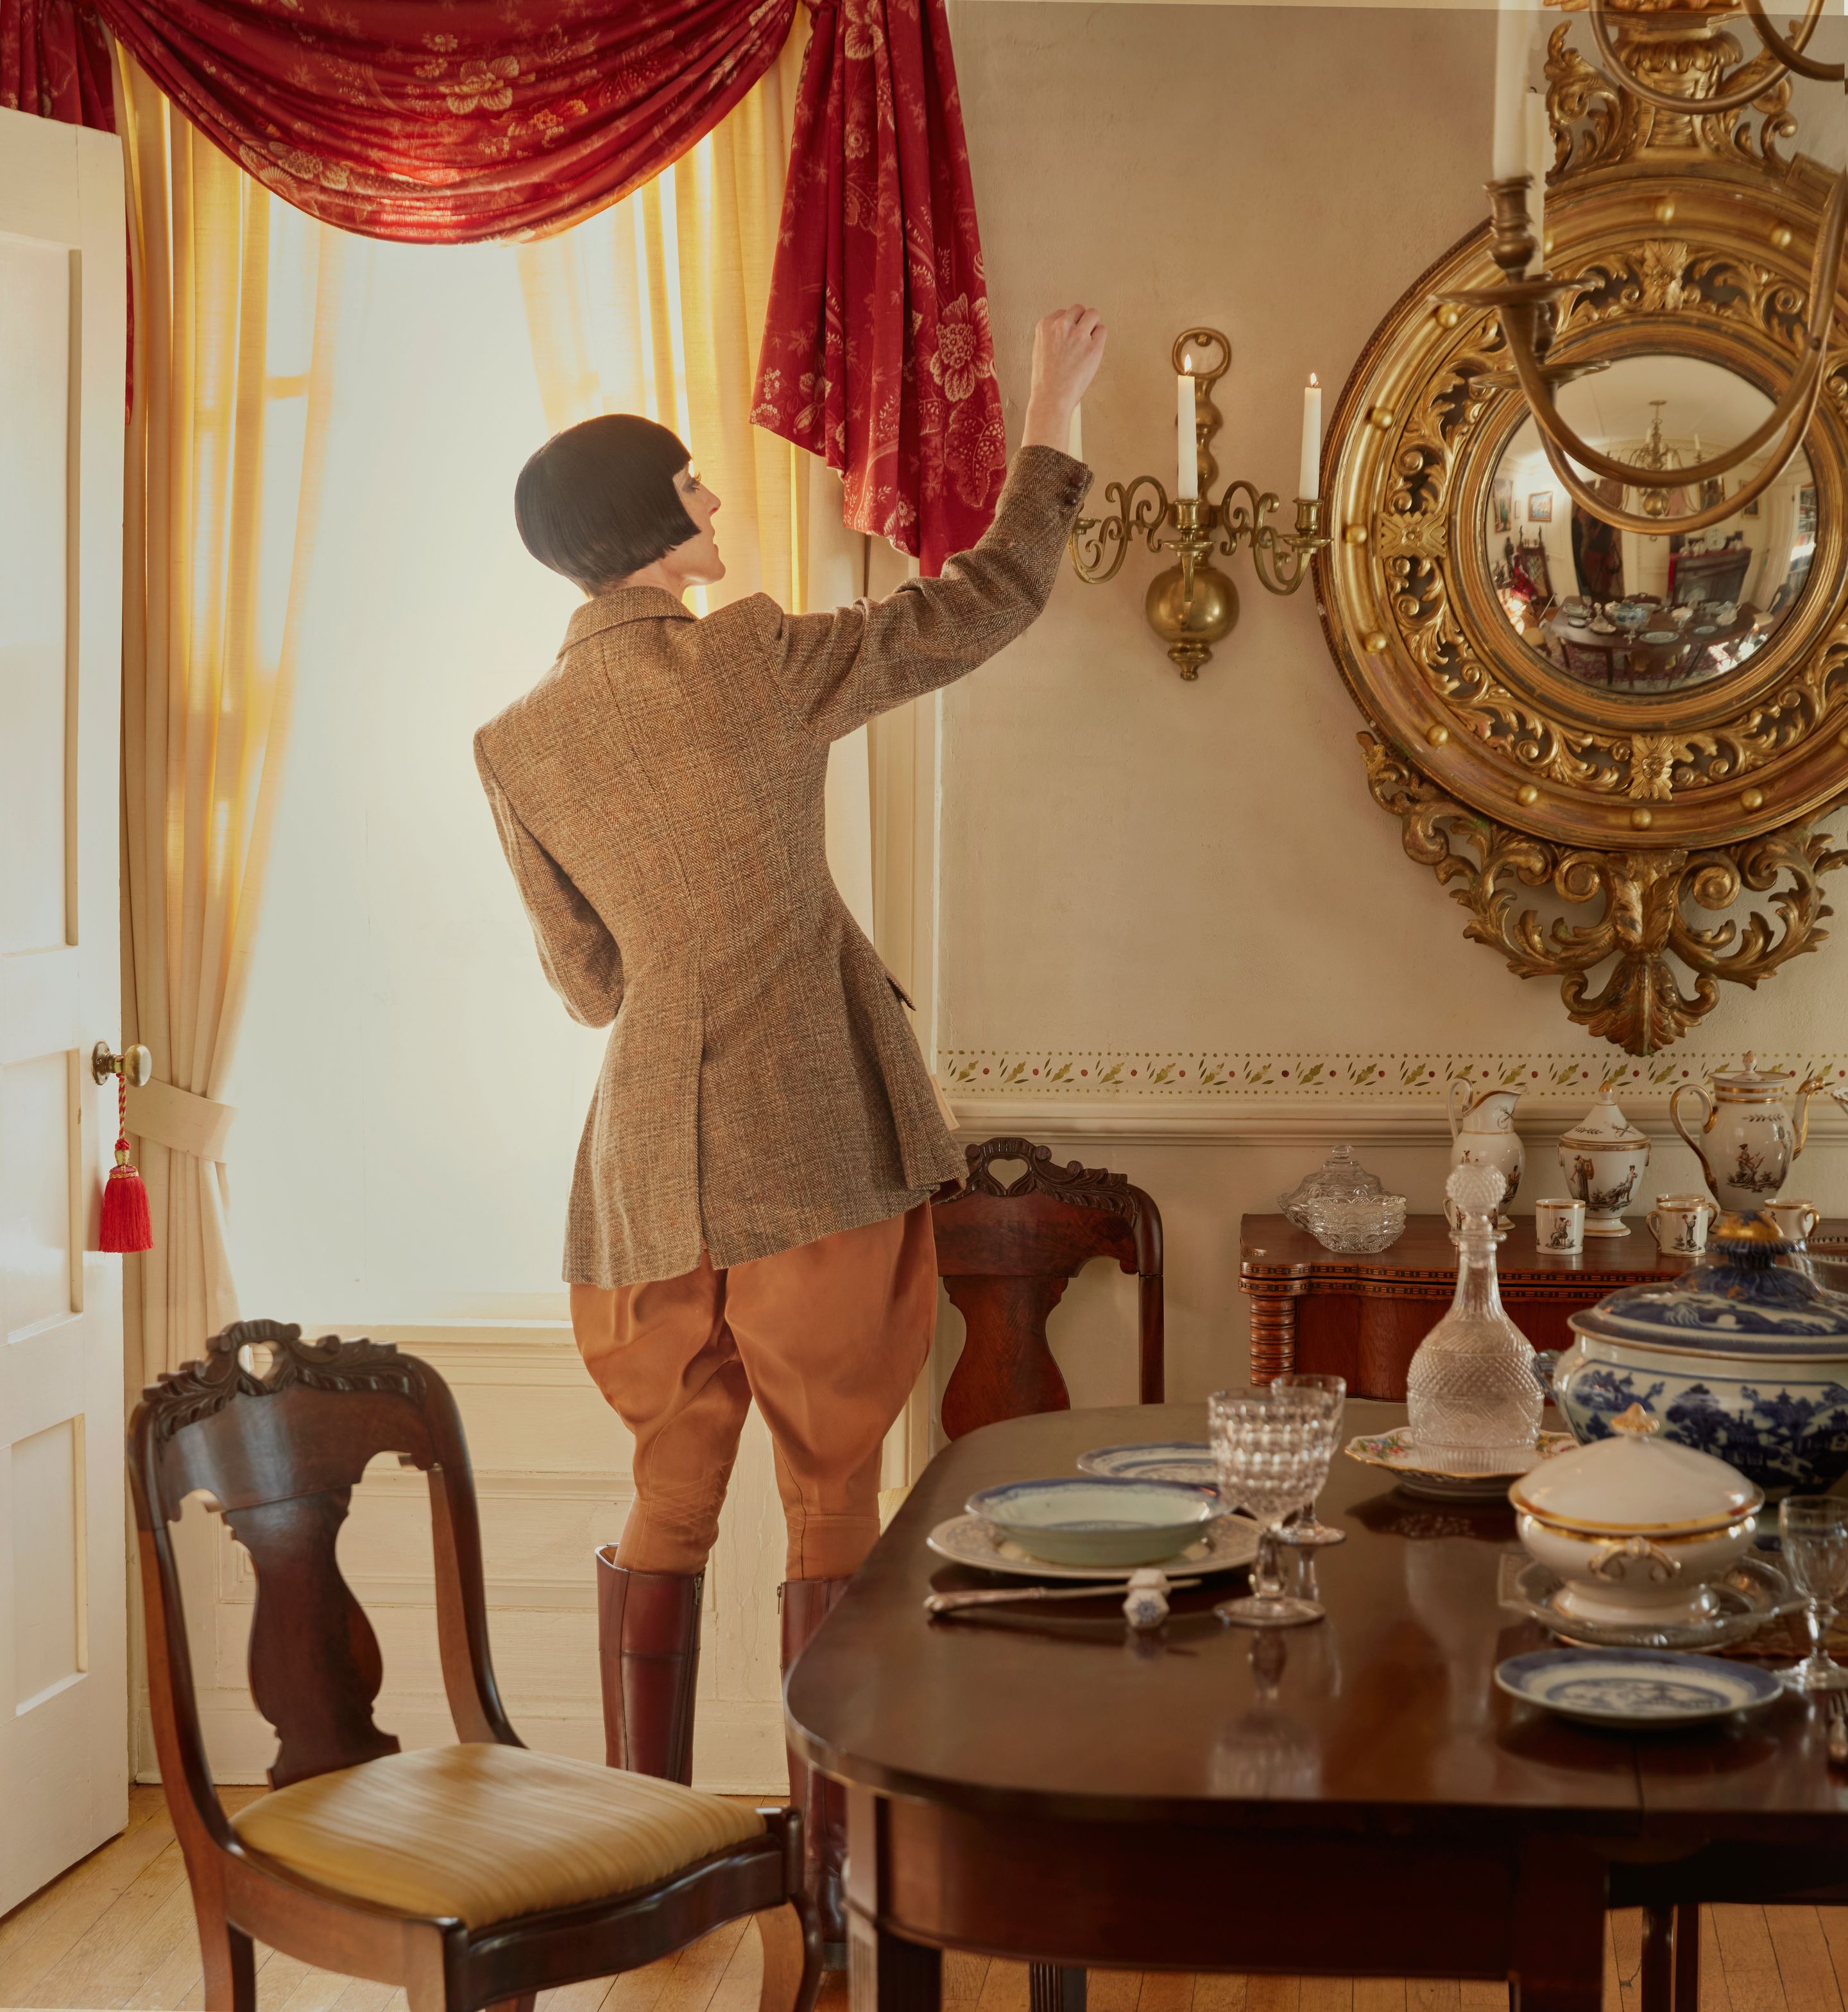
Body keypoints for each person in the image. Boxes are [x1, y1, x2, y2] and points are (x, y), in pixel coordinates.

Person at [474, 305, 1104, 1954]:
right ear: (655, 516)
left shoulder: (515, 742)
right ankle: (831, 1898)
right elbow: (986, 600)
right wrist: (1053, 408)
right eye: (694, 482)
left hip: (640, 1186)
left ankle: (641, 1878)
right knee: (830, 1498)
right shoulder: (749, 658)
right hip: (809, 1141)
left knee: (668, 1497)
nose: (714, 500)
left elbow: (588, 982)